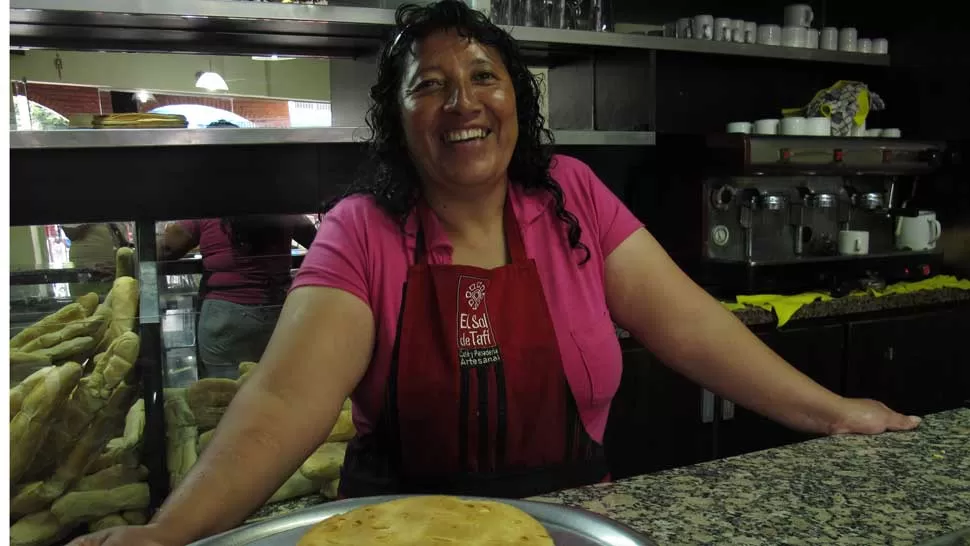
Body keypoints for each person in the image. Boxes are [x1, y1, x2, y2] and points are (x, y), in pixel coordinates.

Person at [71, 2, 920, 544]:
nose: (463, 102)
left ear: (518, 97)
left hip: (574, 525)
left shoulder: (572, 201)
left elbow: (691, 325)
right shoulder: (363, 233)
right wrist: (168, 532)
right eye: (430, 85)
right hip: (401, 532)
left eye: (485, 76)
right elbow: (283, 402)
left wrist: (835, 411)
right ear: (398, 120)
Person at [158, 215, 317, 378]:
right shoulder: (281, 206)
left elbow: (166, 249)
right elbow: (317, 240)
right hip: (277, 312)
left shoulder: (209, 207)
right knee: (277, 390)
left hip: (225, 317)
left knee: (224, 393)